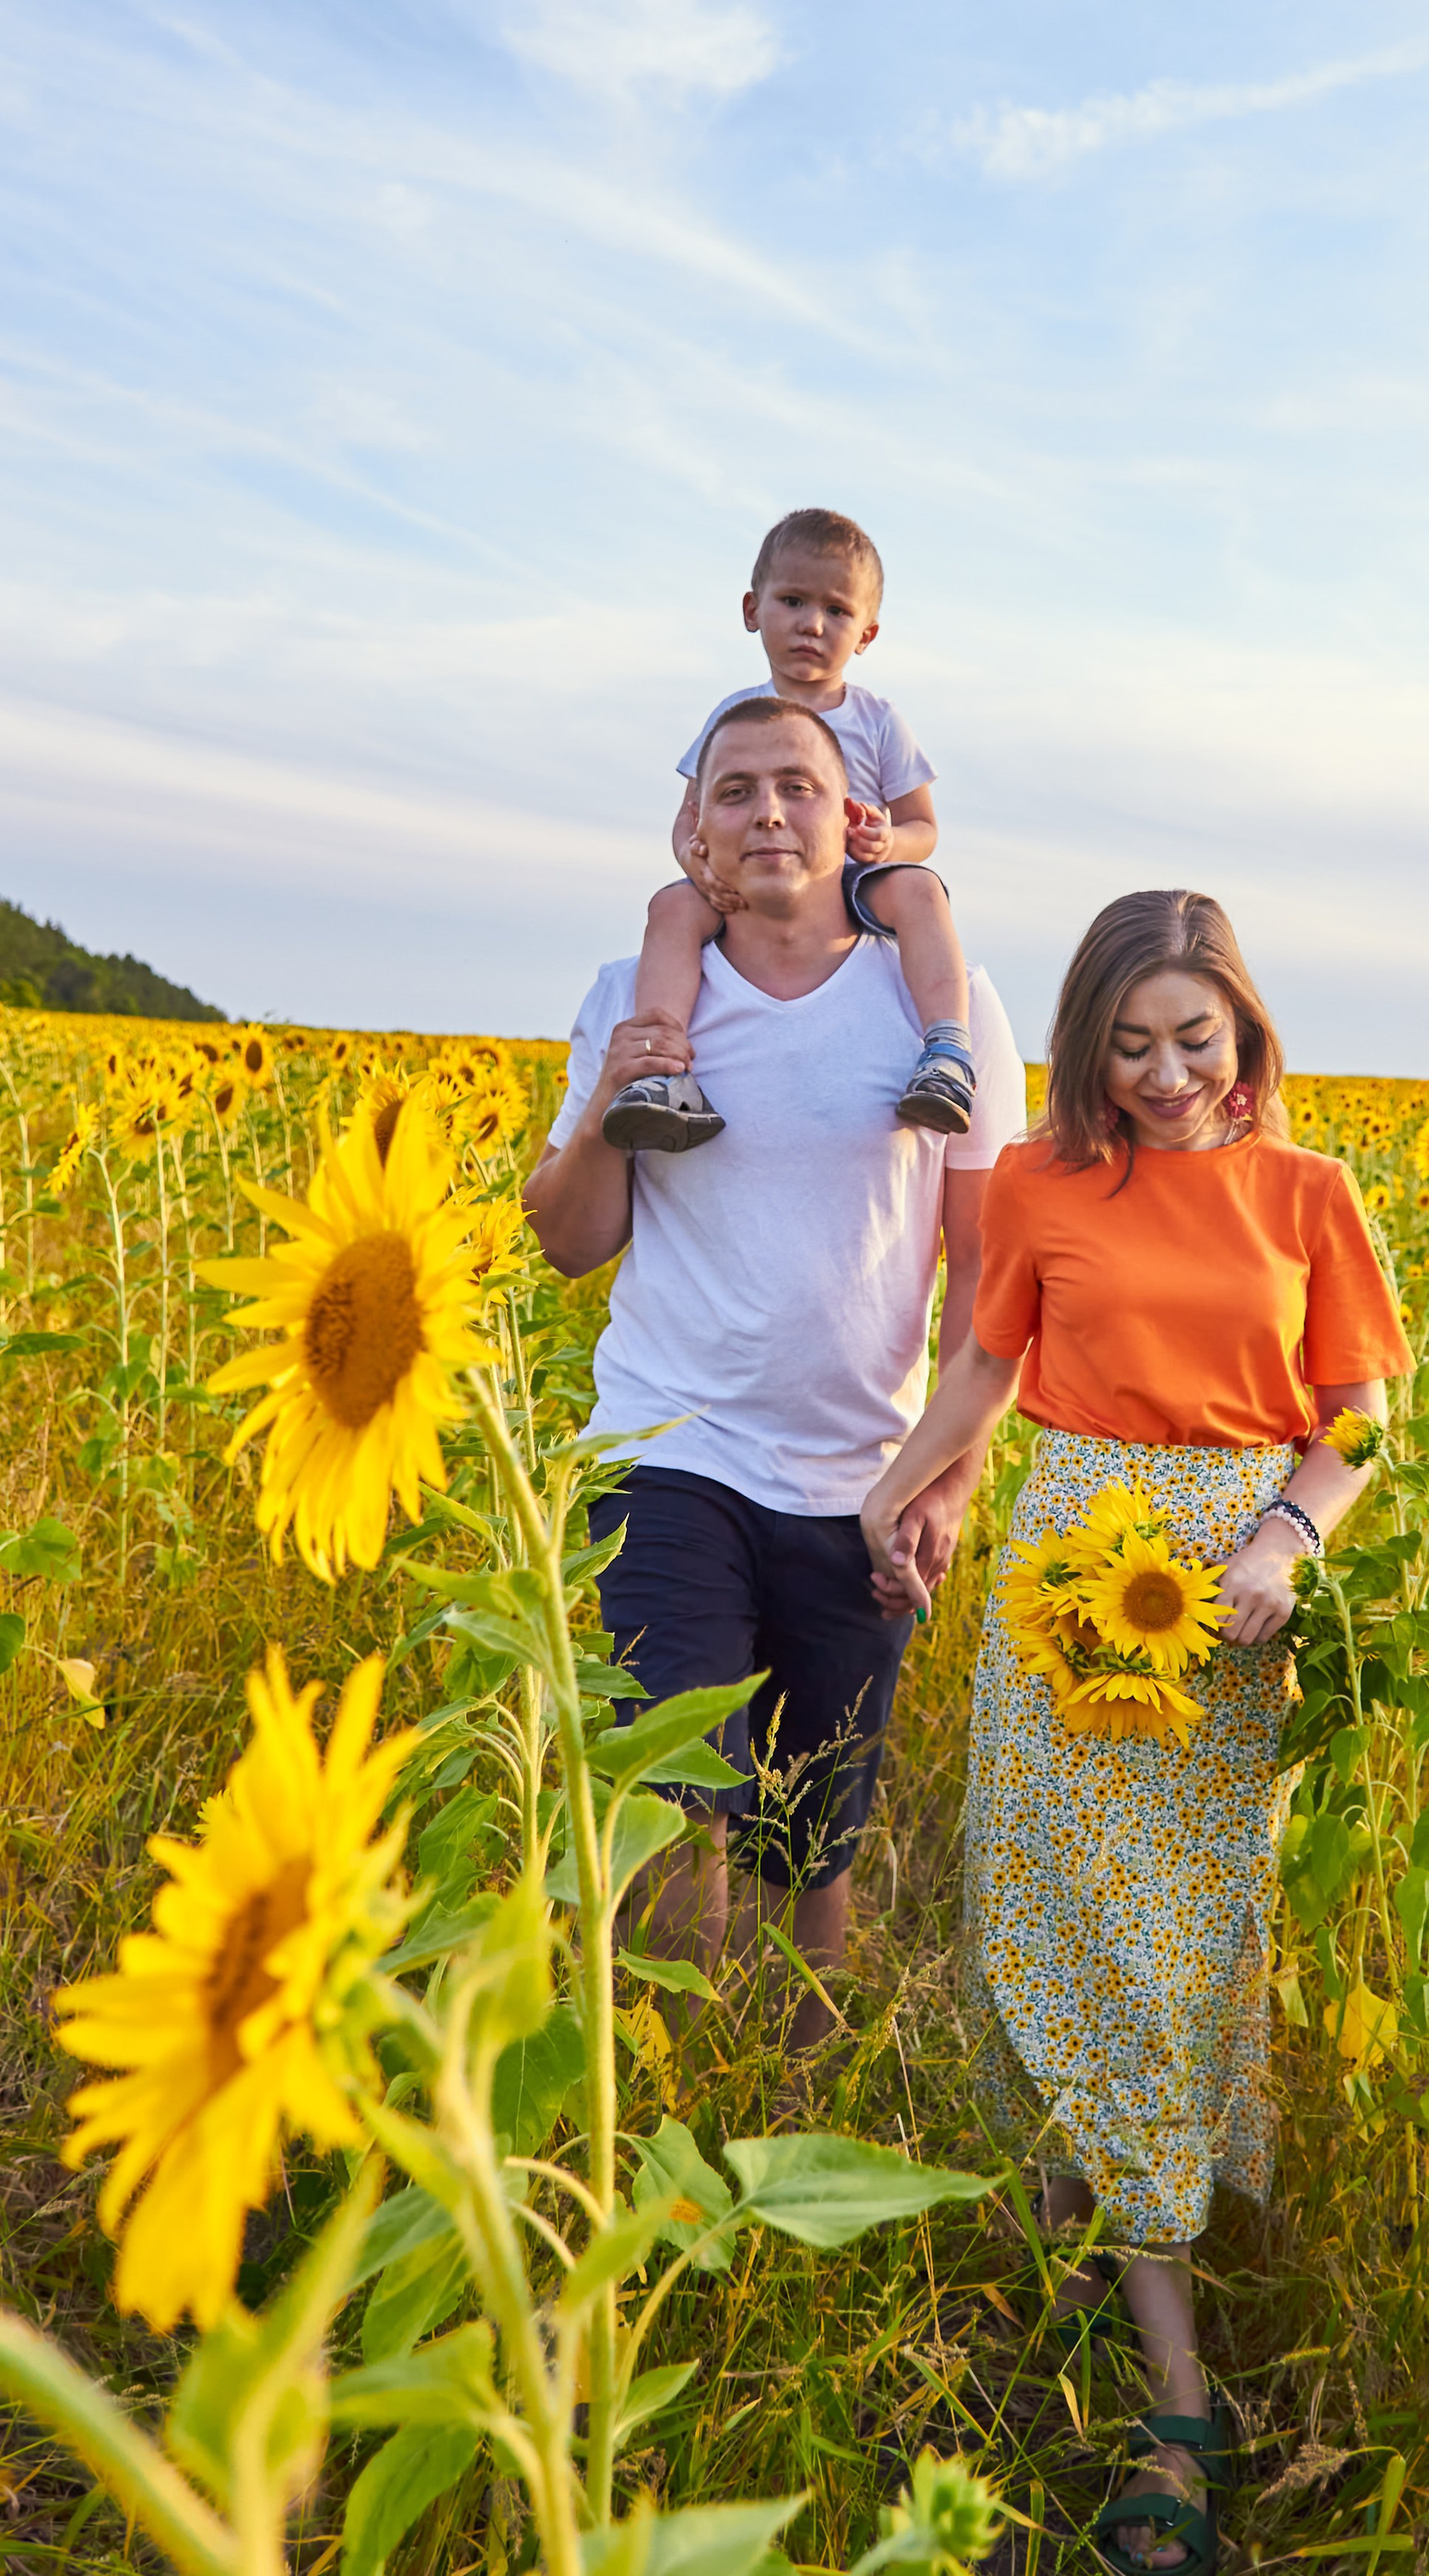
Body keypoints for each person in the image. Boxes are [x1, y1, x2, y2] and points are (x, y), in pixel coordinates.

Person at [860, 890, 1413, 2573]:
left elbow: (1357, 1417)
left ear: (1246, 1034)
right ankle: (1045, 2288)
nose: (1169, 1076)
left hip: (1221, 1611)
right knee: (1032, 1922)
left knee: (1165, 1963)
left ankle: (1171, 2385)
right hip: (1061, 1583)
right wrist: (889, 1498)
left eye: (1199, 1038)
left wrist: (1282, 1539)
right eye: (1131, 1043)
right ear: (1088, 1044)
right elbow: (985, 1365)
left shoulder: (1308, 1196)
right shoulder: (1037, 1183)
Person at [523, 696, 1026, 2041]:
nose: (766, 814)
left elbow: (987, 1272)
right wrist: (614, 1109)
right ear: (693, 833)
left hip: (865, 1472)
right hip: (668, 1448)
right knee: (677, 1787)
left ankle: (799, 2084)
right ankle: (674, 2088)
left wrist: (948, 1476)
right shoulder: (637, 999)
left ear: (848, 812)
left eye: (795, 786)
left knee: (820, 1819)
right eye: (733, 792)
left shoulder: (951, 1003)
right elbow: (572, 1241)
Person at [600, 507, 979, 1154]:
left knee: (922, 891)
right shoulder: (733, 716)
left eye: (837, 611)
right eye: (794, 601)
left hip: (857, 885)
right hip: (749, 881)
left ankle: (946, 1049)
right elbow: (690, 818)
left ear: (867, 635)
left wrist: (889, 845)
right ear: (753, 610)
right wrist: (700, 869)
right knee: (670, 907)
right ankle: (665, 1071)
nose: (812, 624)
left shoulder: (878, 719)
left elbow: (923, 826)